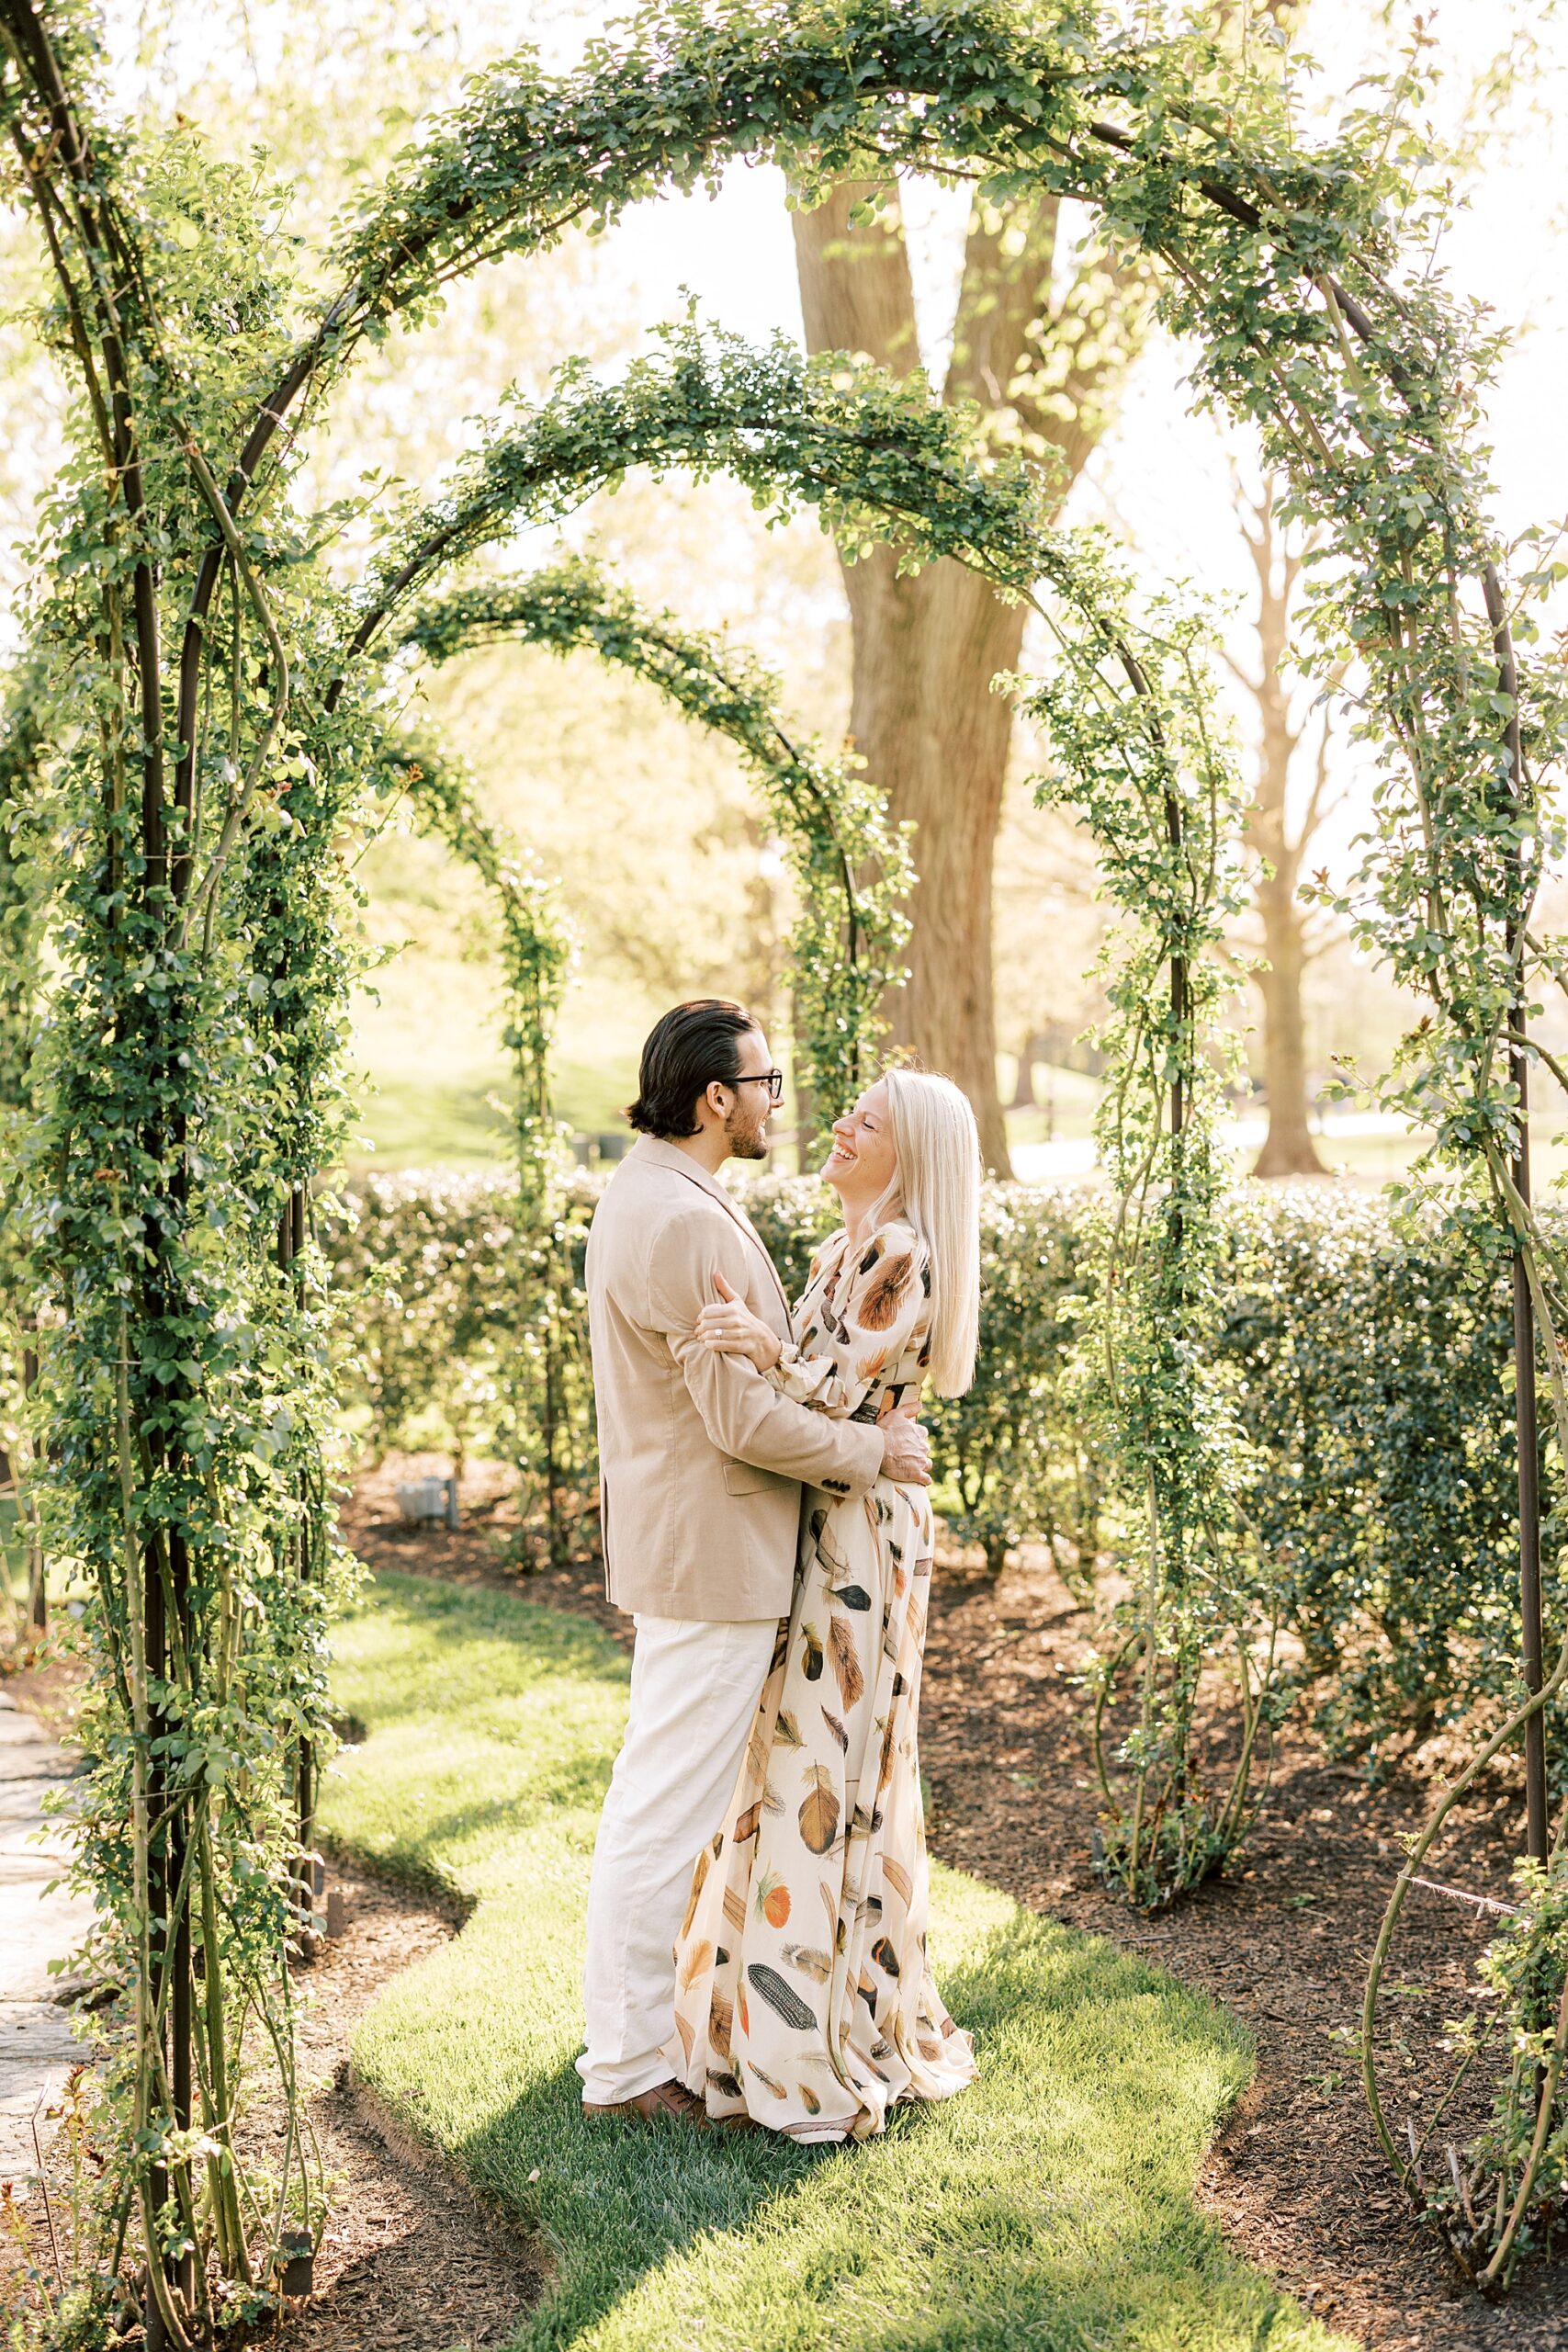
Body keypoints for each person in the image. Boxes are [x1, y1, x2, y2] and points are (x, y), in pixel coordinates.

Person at [579, 1000, 933, 2125]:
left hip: (693, 1547)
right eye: (766, 1083)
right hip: (713, 1553)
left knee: (658, 1803)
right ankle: (626, 2070)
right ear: (714, 1098)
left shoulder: (657, 1192)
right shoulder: (685, 1221)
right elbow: (743, 1424)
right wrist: (876, 1449)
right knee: (660, 1815)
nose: (782, 1101)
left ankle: (632, 2048)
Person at [665, 1064, 982, 2141]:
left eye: (868, 1121)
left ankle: (818, 2031)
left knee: (830, 1761)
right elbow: (830, 1392)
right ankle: (761, 2015)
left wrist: (765, 1352)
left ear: (913, 1154)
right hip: (826, 1514)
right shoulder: (842, 1249)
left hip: (860, 1535)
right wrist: (776, 1356)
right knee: (787, 1756)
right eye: (851, 1111)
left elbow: (836, 1390)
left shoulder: (902, 1253)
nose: (842, 1125)